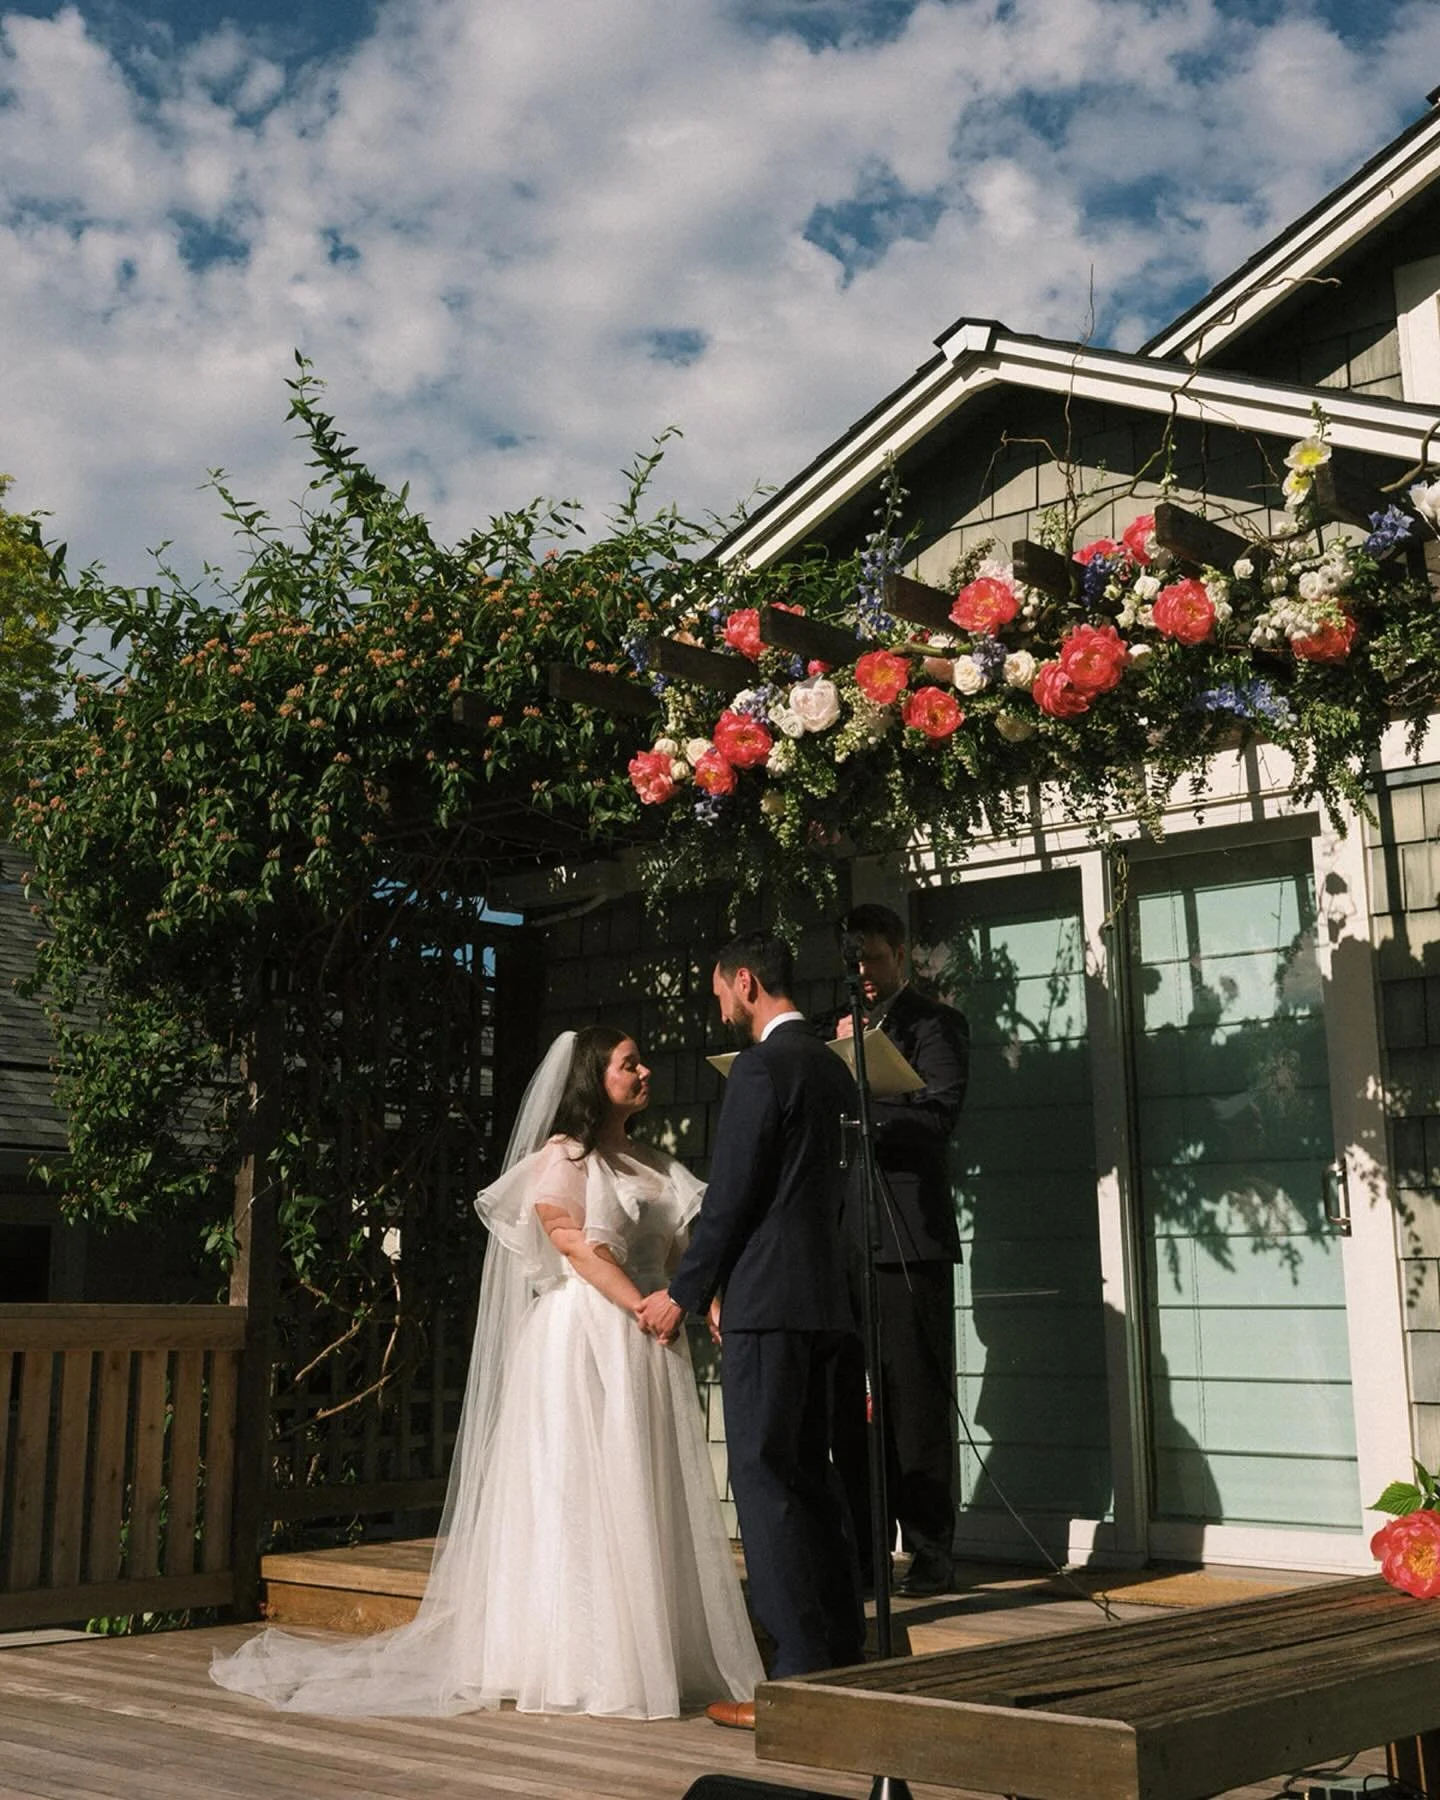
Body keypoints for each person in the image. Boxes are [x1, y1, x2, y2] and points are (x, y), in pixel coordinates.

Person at [210, 1025, 763, 1720]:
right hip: (587, 1334)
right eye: (629, 1064)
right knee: (580, 1490)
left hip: (645, 1338)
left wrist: (702, 1299)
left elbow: (688, 1249)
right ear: (596, 1077)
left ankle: (650, 1646)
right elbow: (573, 1245)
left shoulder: (655, 1166)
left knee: (638, 1485)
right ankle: (579, 1660)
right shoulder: (562, 1158)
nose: (645, 1071)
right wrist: (644, 1309)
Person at [637, 930, 865, 1729]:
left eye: (720, 992)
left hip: (767, 1303)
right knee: (812, 1476)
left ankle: (796, 1678)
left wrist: (685, 1290)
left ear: (745, 982)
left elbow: (733, 1195)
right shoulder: (833, 1068)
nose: (721, 1006)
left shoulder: (762, 1070)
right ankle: (843, 1655)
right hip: (823, 1302)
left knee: (767, 1484)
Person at [830, 902, 969, 1598]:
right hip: (846, 1235)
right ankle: (863, 1549)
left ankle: (931, 1548)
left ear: (903, 953)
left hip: (907, 1238)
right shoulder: (839, 1026)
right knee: (855, 1403)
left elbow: (939, 1116)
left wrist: (861, 1089)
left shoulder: (933, 1025)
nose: (864, 973)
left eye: (875, 959)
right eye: (853, 961)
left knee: (913, 1402)